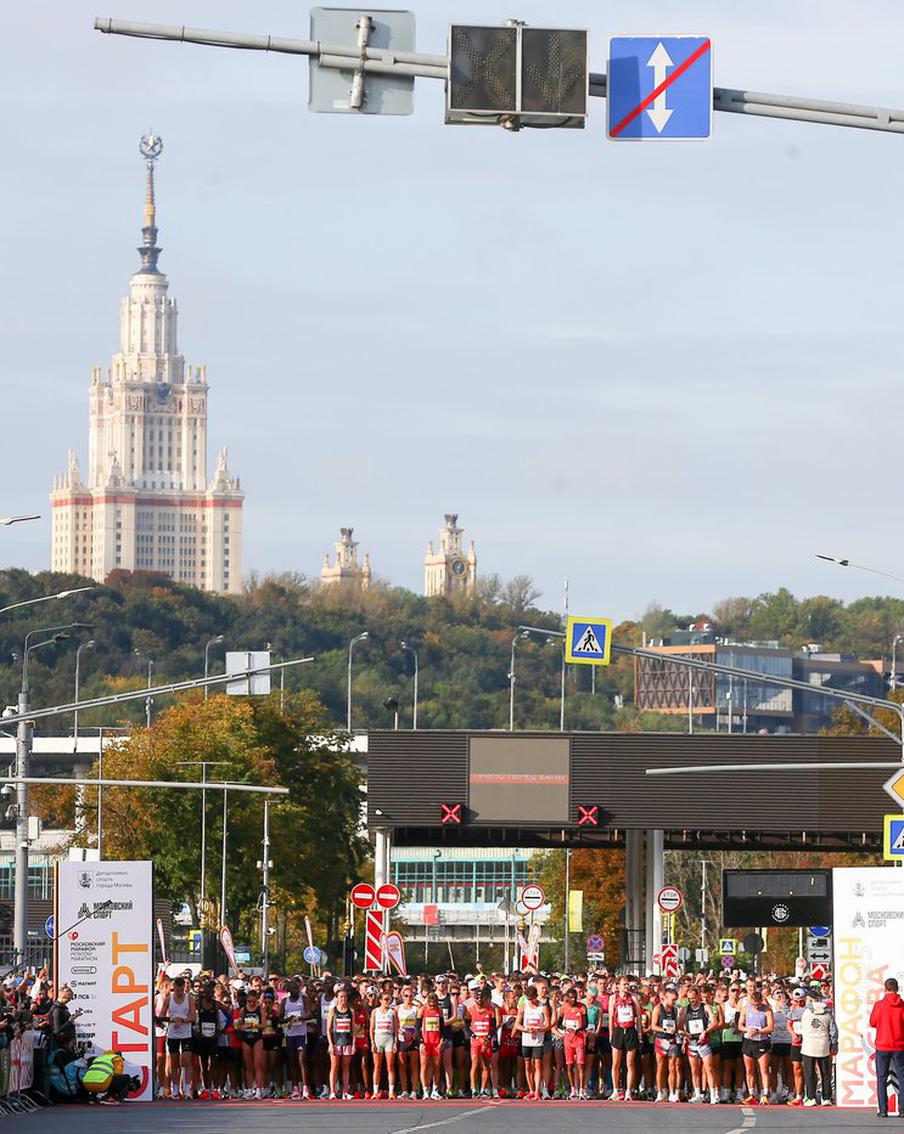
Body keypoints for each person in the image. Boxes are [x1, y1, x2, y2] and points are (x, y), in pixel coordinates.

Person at [870, 977, 904, 1119]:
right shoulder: (902, 1005)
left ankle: (883, 1110)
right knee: (902, 1077)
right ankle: (903, 1110)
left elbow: (872, 1022)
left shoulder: (879, 1005)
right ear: (897, 988)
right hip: (900, 1045)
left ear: (885, 988)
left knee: (881, 1078)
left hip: (883, 1045)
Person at [799, 987, 837, 1107]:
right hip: (823, 1044)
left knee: (809, 1073)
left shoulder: (805, 1011)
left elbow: (790, 1014)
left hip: (809, 1044)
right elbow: (833, 1030)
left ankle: (811, 1097)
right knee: (825, 1073)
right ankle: (826, 1097)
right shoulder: (828, 1011)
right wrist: (834, 1043)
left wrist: (784, 1003)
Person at [739, 984, 773, 1105]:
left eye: (758, 1004)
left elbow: (770, 1027)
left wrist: (758, 1031)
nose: (757, 1006)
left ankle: (765, 1094)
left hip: (761, 1041)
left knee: (763, 1069)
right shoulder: (746, 1009)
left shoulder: (767, 1010)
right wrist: (747, 1029)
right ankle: (751, 1094)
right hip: (749, 1041)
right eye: (754, 1004)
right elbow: (740, 1025)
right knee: (749, 1070)